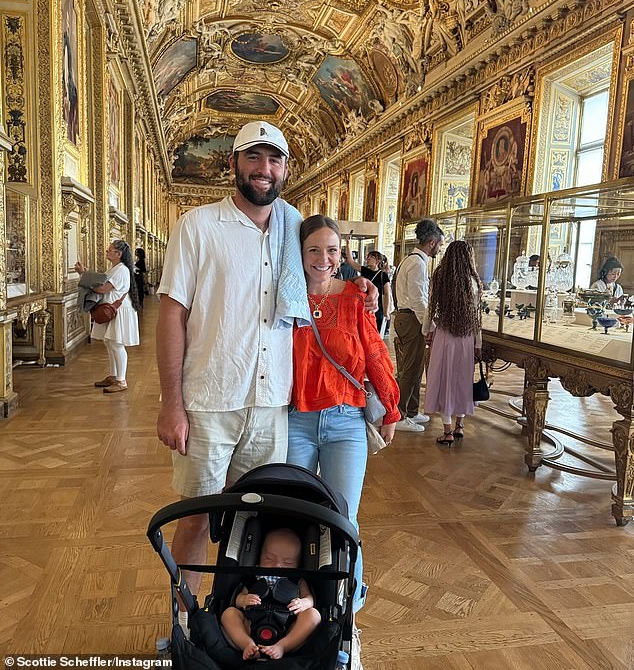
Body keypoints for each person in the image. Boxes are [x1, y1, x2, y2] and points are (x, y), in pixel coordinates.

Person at [155, 121, 377, 636]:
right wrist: (171, 402)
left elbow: (320, 271)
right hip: (210, 397)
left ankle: (237, 617)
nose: (264, 169)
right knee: (196, 517)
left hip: (272, 402)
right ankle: (187, 625)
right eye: (254, 158)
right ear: (233, 165)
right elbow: (172, 314)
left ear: (284, 169)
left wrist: (358, 287)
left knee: (253, 518)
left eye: (274, 160)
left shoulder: (291, 226)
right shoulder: (198, 226)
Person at [287, 215, 400, 616]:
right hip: (293, 421)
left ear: (341, 254)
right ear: (299, 253)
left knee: (343, 518)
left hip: (345, 422)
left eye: (331, 250)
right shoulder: (285, 294)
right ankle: (295, 605)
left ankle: (345, 613)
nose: (323, 258)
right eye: (313, 249)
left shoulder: (355, 297)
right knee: (292, 516)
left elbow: (373, 352)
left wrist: (390, 406)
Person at [221, 528, 321, 660]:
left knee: (313, 615)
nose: (277, 565)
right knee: (229, 613)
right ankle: (247, 644)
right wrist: (244, 599)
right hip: (250, 625)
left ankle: (282, 646)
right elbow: (237, 599)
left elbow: (309, 598)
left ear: (297, 565)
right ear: (260, 557)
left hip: (288, 628)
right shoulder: (253, 576)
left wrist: (303, 603)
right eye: (269, 559)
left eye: (287, 563)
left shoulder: (297, 579)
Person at [422, 240, 482, 445]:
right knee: (462, 380)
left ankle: (446, 430)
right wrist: (478, 343)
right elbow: (476, 316)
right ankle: (459, 426)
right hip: (466, 337)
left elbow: (431, 308)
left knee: (444, 380)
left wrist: (427, 330)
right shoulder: (473, 282)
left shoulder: (440, 278)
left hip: (445, 335)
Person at [392, 219, 444, 433]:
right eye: (439, 245)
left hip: (410, 317)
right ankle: (399, 415)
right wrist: (429, 325)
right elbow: (418, 300)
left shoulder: (413, 260)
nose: (440, 249)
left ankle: (412, 411)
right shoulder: (417, 263)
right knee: (410, 370)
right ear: (431, 242)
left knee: (416, 366)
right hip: (412, 318)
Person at [75, 240, 141, 393]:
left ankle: (121, 380)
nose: (106, 251)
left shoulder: (121, 270)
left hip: (117, 310)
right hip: (111, 309)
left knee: (117, 344)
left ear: (118, 254)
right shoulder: (115, 268)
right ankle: (114, 375)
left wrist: (83, 275)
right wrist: (84, 274)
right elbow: (100, 281)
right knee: (110, 343)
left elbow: (103, 288)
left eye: (110, 250)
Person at [345, 248, 391, 333]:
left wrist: (386, 311)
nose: (368, 259)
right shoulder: (365, 270)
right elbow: (351, 261)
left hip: (377, 309)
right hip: (362, 307)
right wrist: (348, 243)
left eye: (371, 257)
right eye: (368, 257)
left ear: (377, 261)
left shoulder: (383, 275)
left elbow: (387, 293)